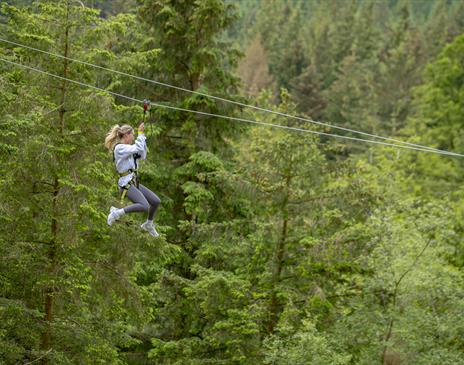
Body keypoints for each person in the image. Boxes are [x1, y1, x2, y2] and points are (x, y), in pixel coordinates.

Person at [104, 122, 161, 237]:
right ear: (126, 135)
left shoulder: (129, 149)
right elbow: (137, 147)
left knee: (155, 201)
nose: (133, 137)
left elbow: (142, 155)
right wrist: (140, 134)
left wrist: (142, 138)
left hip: (134, 182)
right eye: (133, 135)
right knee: (145, 206)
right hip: (126, 184)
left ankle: (149, 224)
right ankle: (116, 213)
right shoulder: (120, 148)